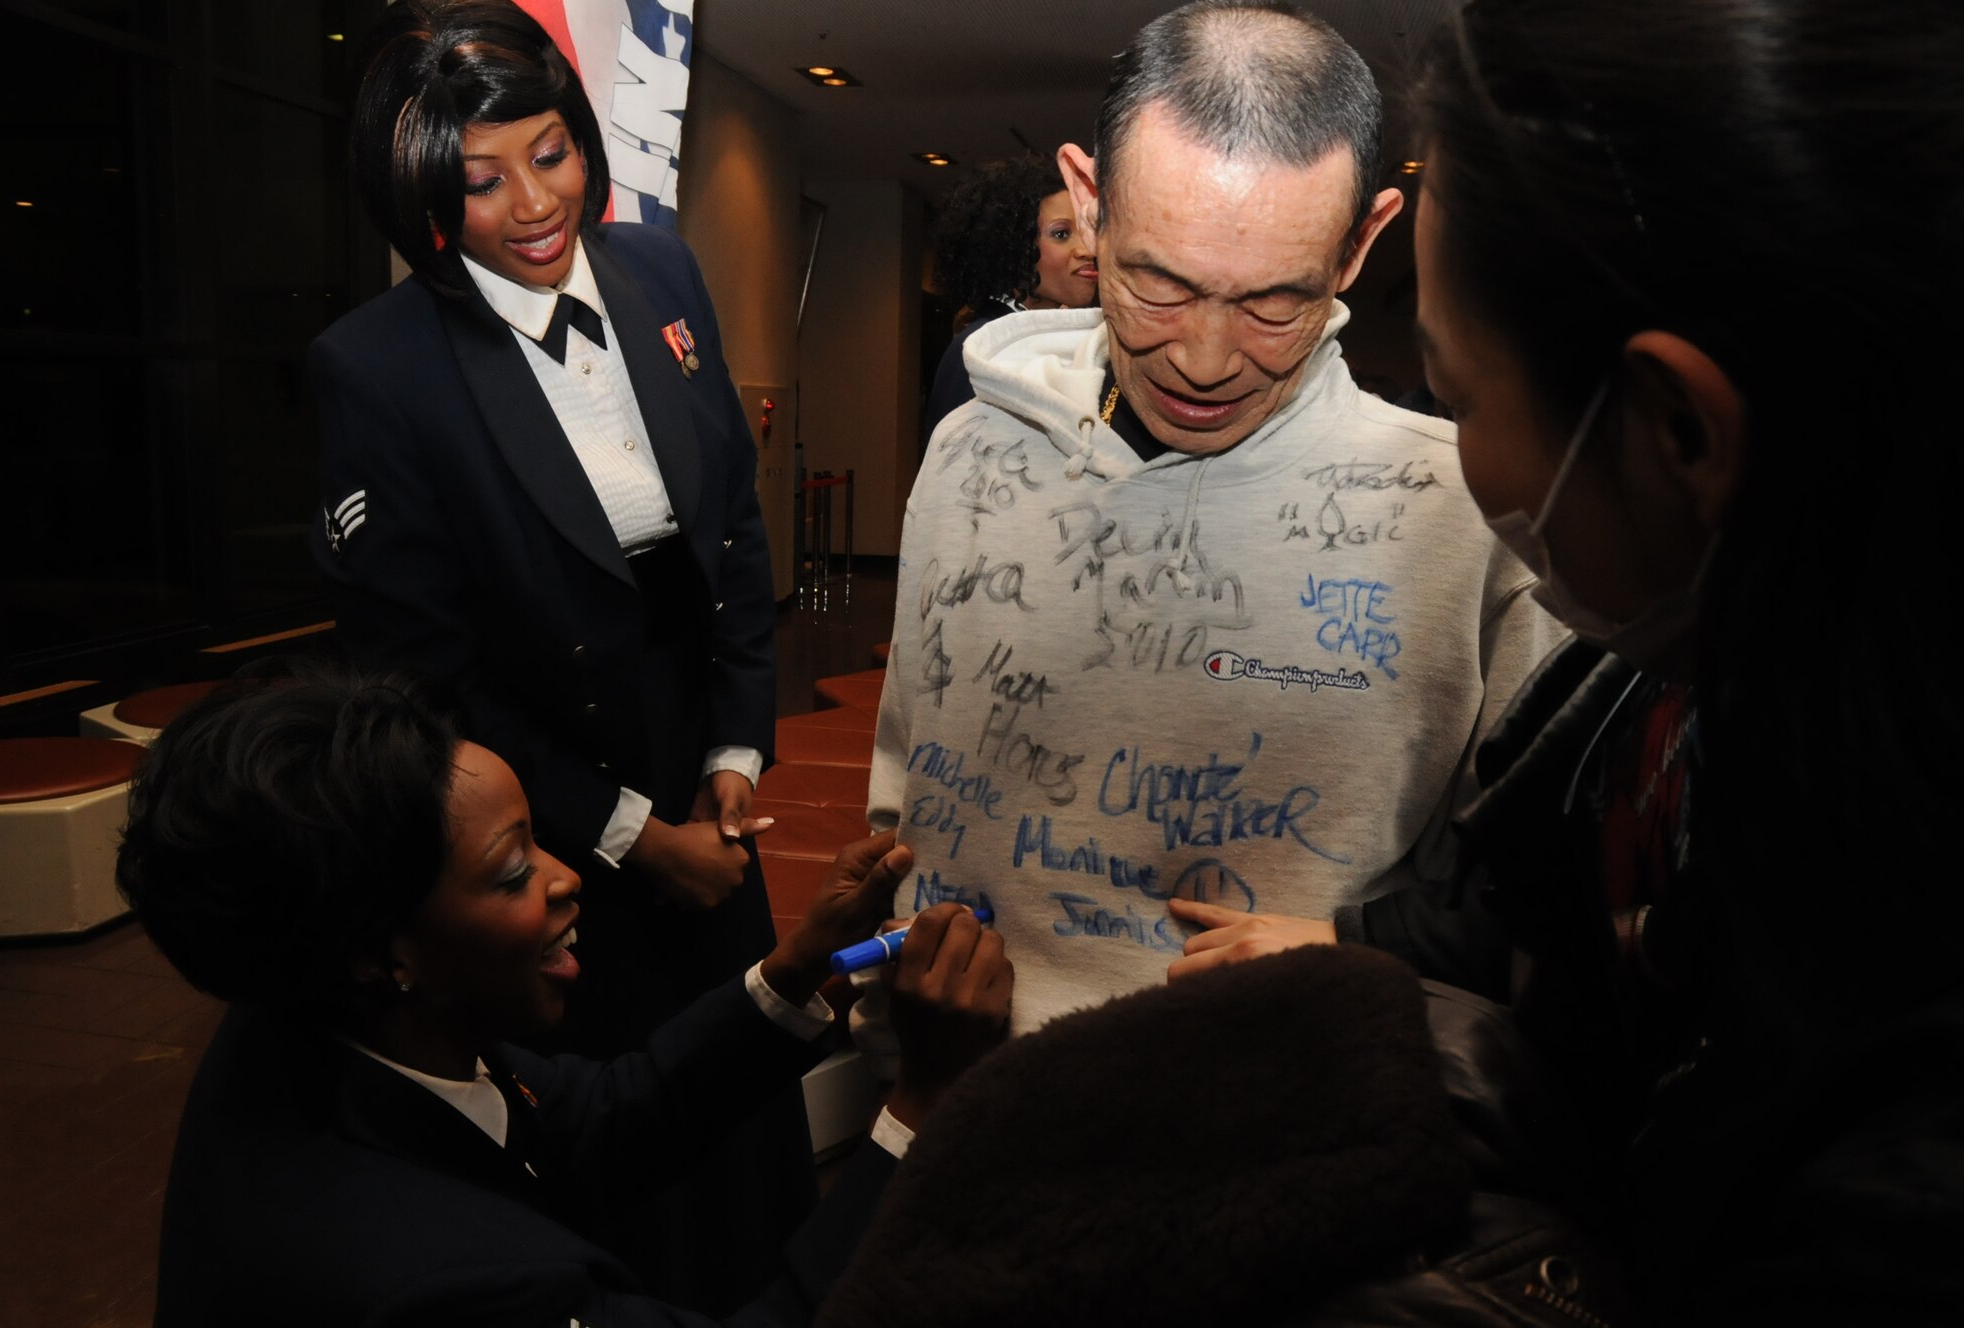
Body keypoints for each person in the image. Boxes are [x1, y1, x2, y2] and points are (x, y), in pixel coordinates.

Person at [1171, 0, 1964, 1319]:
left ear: (1676, 430)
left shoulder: (1911, 1186)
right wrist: (1347, 944)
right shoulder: (1676, 701)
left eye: (1458, 395)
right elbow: (1534, 891)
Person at [865, 0, 1561, 1036]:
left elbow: (1530, 909)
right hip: (962, 1093)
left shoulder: (1475, 518)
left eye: (1271, 302)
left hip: (1293, 1119)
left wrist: (1355, 960)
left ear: (1361, 240)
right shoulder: (968, 448)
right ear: (1087, 203)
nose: (1201, 359)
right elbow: (905, 780)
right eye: (1155, 283)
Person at [309, 1, 798, 1305]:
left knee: (747, 1115)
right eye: (480, 180)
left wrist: (740, 746)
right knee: (625, 1159)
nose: (533, 203)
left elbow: (736, 530)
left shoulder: (663, 271)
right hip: (561, 834)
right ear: (414, 190)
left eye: (552, 154)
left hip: (712, 800)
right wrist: (640, 836)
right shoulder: (377, 372)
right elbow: (430, 690)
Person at [118, 664, 1013, 1327]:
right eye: (512, 873)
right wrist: (922, 1109)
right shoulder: (444, 1281)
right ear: (380, 953)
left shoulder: (326, 1017)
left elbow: (599, 1119)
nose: (563, 878)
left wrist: (797, 967)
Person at [921, 155, 1097, 444]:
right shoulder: (982, 347)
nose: (1088, 249)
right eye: (1062, 233)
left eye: (1088, 230)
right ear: (1012, 247)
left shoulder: (1061, 340)